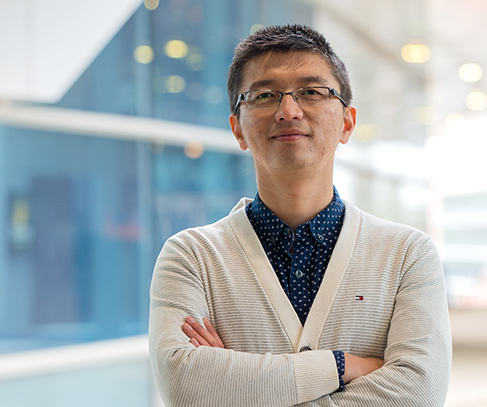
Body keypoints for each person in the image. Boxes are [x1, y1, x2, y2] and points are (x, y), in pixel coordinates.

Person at [149, 24, 451, 407]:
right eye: (263, 95)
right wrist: (342, 367)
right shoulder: (191, 257)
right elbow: (185, 386)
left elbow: (418, 394)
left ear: (347, 122)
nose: (288, 110)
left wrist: (234, 385)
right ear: (237, 129)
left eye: (311, 92)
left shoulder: (407, 254)